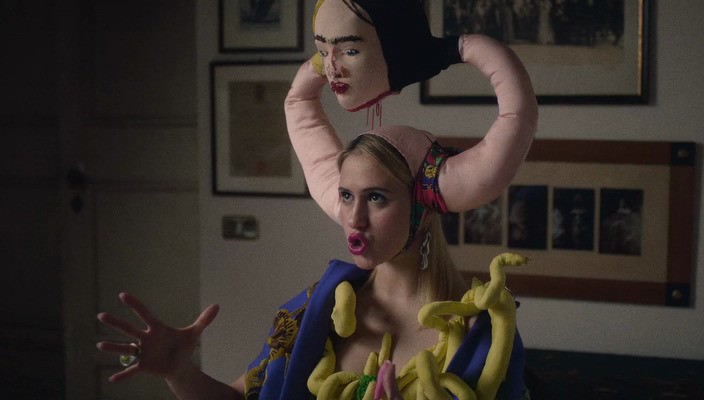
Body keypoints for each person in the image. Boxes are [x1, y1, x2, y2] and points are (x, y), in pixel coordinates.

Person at [97, 1, 538, 398]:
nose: (354, 218)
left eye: (377, 198)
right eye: (346, 195)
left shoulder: (482, 336)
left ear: (423, 207)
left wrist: (444, 49)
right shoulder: (315, 310)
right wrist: (179, 372)